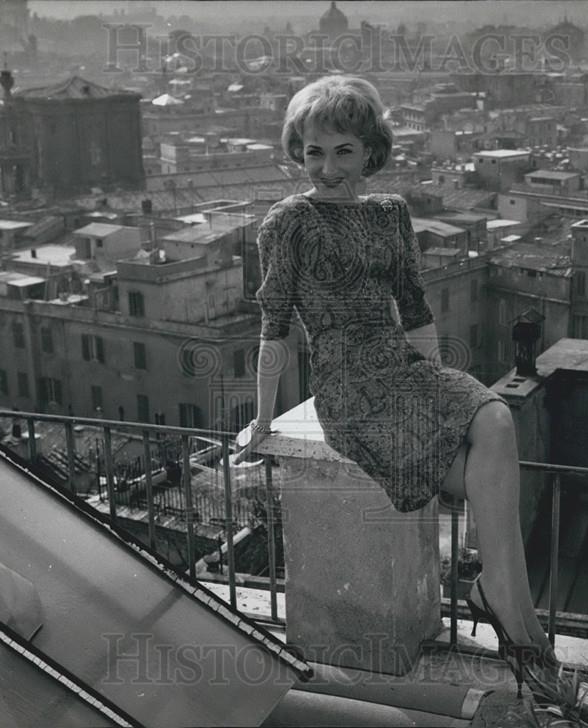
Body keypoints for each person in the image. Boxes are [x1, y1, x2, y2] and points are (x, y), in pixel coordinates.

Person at [232, 75, 557, 691]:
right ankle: (517, 620)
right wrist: (264, 421)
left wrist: (436, 388)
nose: (327, 167)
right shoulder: (290, 222)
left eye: (343, 150)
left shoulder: (390, 214)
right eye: (313, 152)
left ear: (370, 151)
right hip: (350, 389)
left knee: (493, 418)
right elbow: (275, 330)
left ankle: (496, 592)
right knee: (484, 457)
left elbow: (413, 307)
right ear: (298, 154)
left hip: (401, 369)